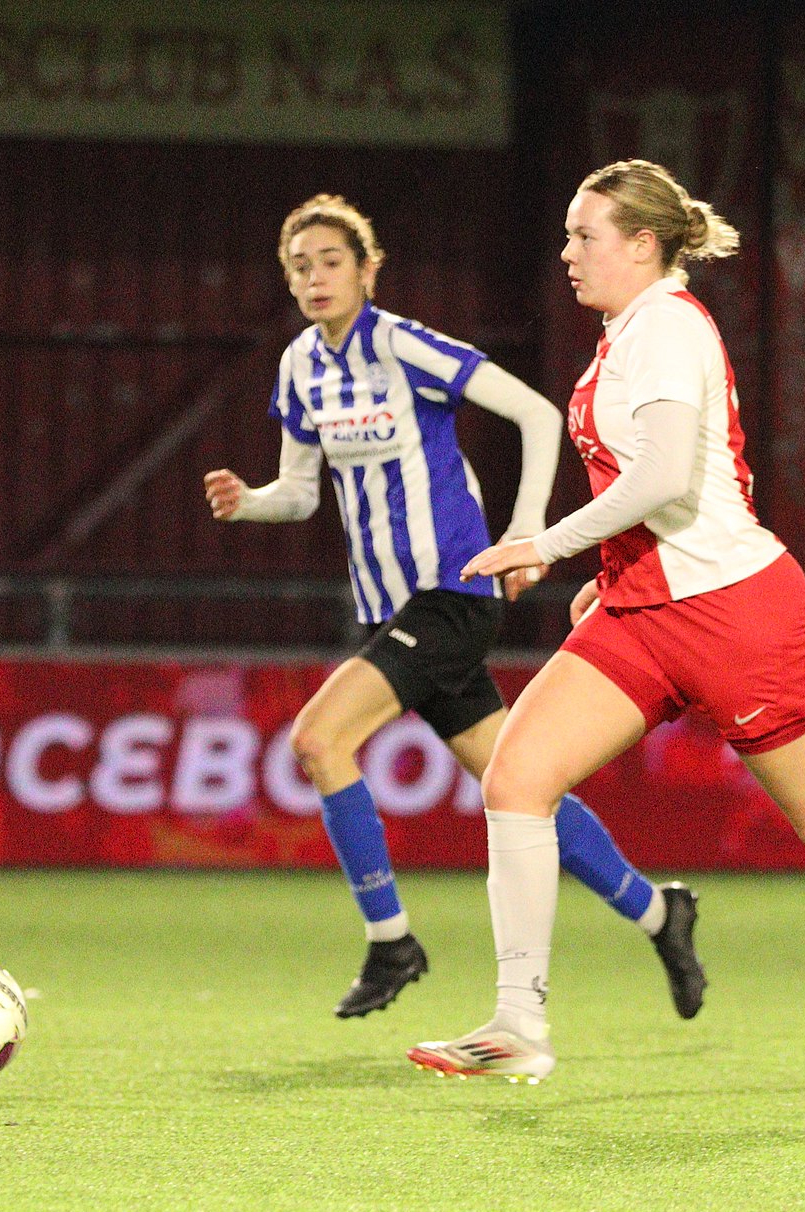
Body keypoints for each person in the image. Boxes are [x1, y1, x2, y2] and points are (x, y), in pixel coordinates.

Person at [407, 161, 805, 1105]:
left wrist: (549, 544)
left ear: (642, 244)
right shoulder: (627, 333)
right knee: (517, 778)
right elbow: (675, 486)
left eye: (584, 235)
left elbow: (664, 476)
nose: (567, 252)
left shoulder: (665, 326)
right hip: (643, 611)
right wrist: (609, 576)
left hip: (735, 612)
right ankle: (518, 1026)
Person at [204, 193, 705, 1021]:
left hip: (453, 592)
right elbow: (299, 492)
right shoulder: (300, 366)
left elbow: (536, 414)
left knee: (319, 739)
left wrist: (526, 534)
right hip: (390, 607)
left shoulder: (402, 344)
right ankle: (660, 912)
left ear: (368, 270)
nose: (316, 277)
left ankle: (391, 941)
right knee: (519, 783)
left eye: (332, 261)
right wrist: (248, 502)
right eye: (300, 267)